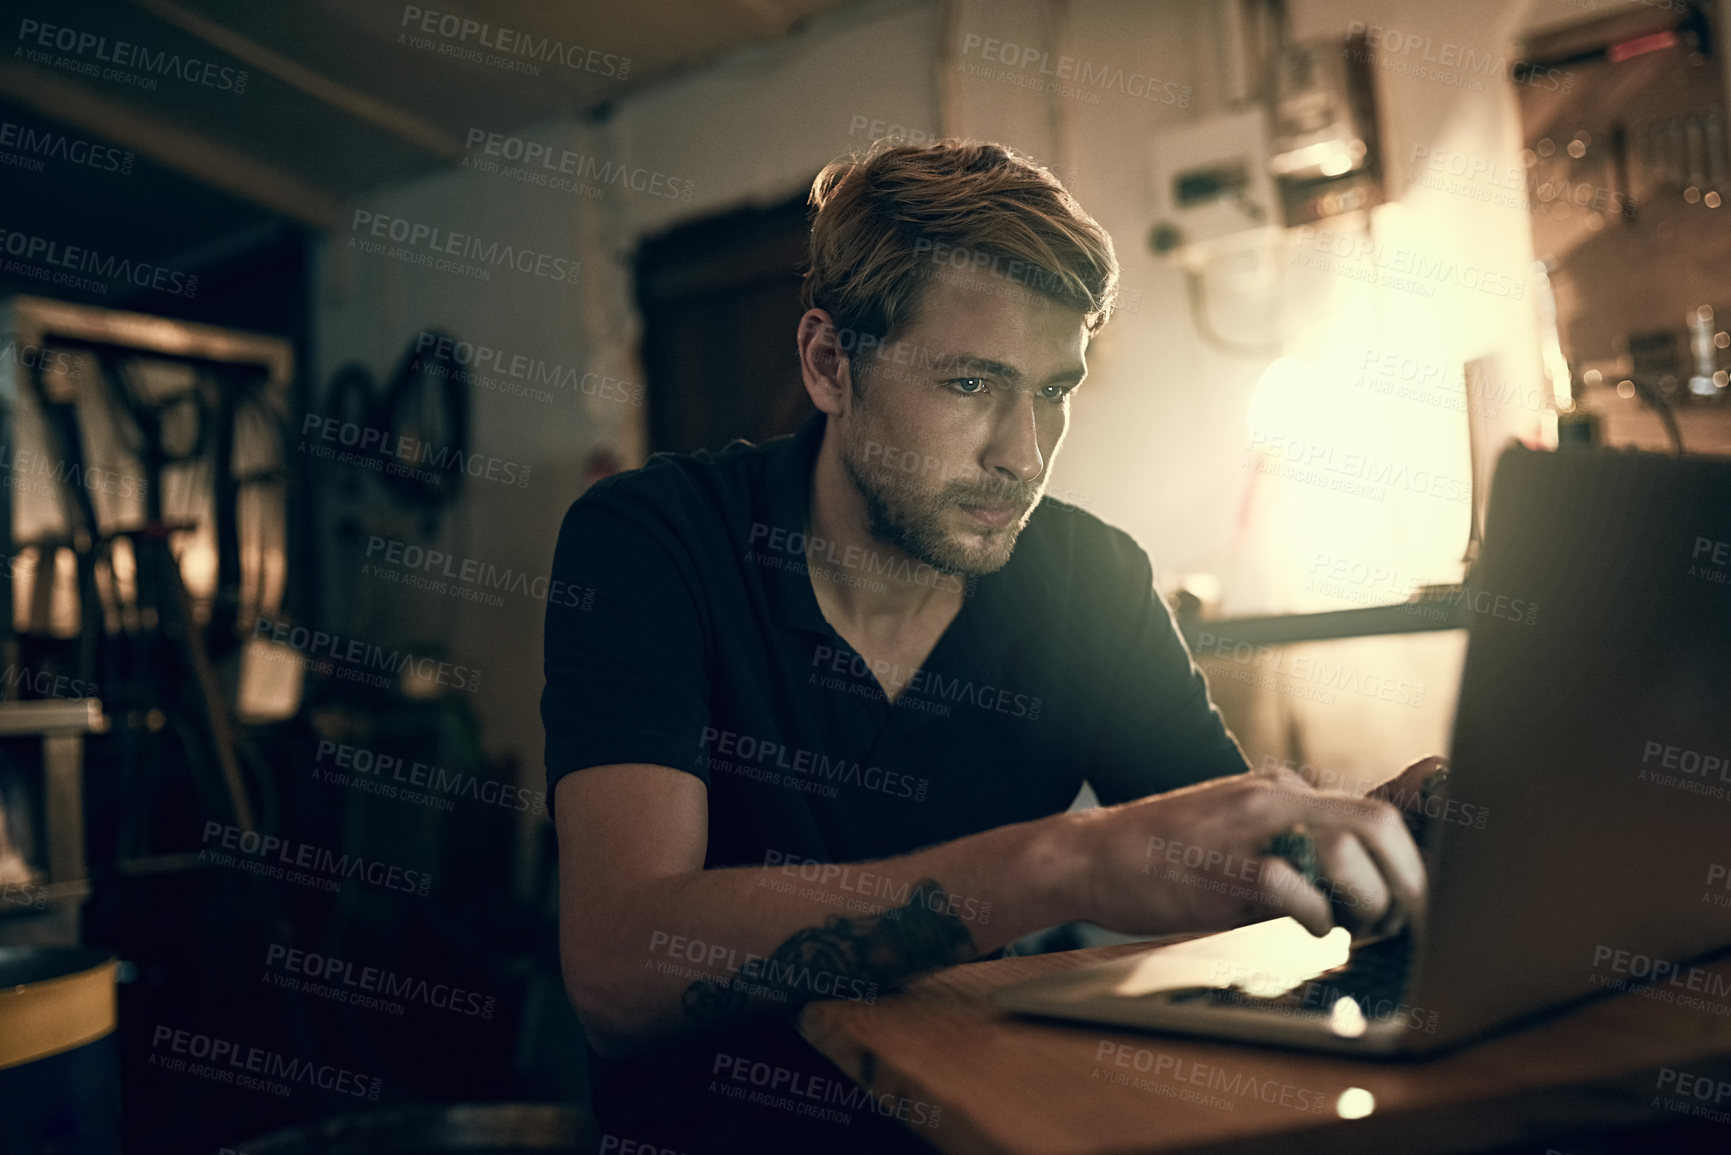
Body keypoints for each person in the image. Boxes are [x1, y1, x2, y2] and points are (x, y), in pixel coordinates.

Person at [542, 139, 1436, 1154]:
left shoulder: (1091, 578)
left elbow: (1231, 887)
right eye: (970, 384)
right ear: (829, 363)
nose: (1024, 455)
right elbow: (618, 973)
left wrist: (1364, 837)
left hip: (985, 1125)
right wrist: (1062, 863)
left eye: (1056, 390)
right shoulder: (656, 540)